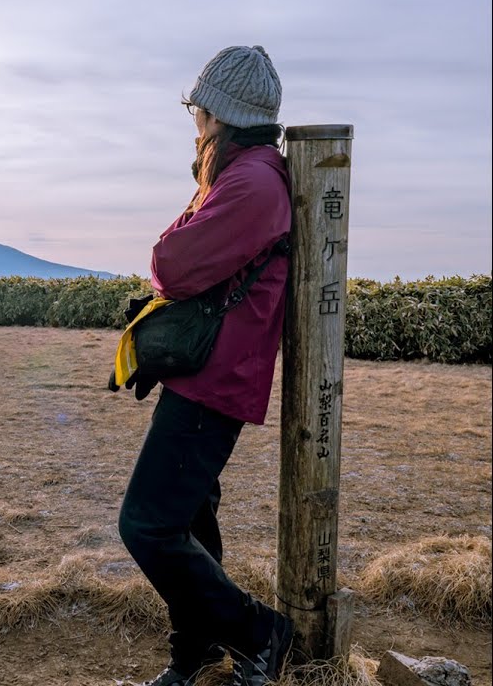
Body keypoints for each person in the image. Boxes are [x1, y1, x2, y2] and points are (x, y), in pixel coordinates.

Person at [117, 45, 295, 686]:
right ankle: (194, 654)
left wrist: (173, 240)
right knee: (190, 519)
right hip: (209, 374)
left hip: (216, 381)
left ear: (218, 112)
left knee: (146, 524)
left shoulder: (250, 183)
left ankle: (261, 633)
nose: (193, 118)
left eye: (198, 107)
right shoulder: (241, 174)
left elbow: (172, 263)